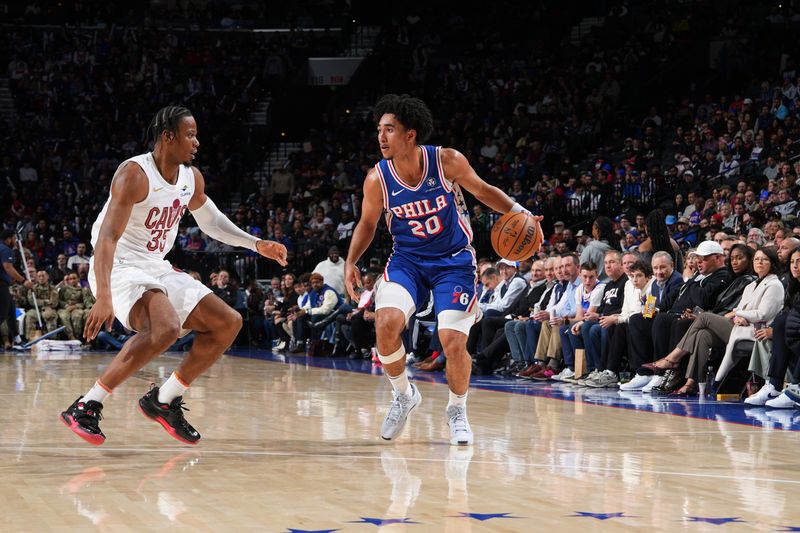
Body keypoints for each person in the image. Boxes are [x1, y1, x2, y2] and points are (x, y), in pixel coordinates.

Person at [61, 106, 287, 446]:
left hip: (155, 264)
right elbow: (107, 238)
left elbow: (211, 221)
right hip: (119, 265)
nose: (196, 142)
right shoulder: (134, 174)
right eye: (190, 134)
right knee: (164, 327)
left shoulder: (191, 177)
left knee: (227, 322)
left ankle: (163, 400)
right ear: (168, 137)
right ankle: (86, 405)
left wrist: (257, 244)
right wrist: (104, 296)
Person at [344, 94, 542, 445]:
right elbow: (367, 224)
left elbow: (482, 191)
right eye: (379, 129)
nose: (381, 136)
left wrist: (520, 211)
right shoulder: (378, 178)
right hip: (407, 261)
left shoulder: (446, 160)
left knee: (452, 342)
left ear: (410, 135)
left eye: (389, 129)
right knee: (386, 324)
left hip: (454, 262)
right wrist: (350, 262)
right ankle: (404, 395)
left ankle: (457, 409)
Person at [1, 230, 32, 348]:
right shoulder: (5, 249)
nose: (15, 241)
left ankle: (17, 339)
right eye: (14, 238)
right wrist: (23, 281)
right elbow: (8, 267)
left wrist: (11, 278)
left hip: (5, 284)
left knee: (10, 311)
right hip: (1, 285)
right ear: (8, 239)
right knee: (2, 315)